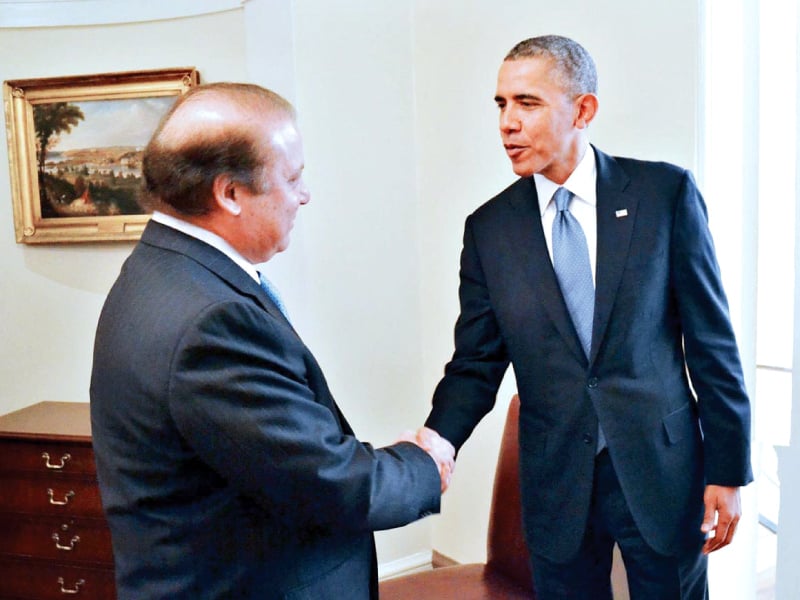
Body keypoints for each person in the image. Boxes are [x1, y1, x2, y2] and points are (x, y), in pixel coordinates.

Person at [90, 82, 454, 600]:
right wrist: (424, 464)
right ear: (230, 193)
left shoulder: (158, 270)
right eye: (292, 177)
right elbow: (330, 482)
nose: (304, 195)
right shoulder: (211, 323)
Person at [418, 35, 753, 598]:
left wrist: (728, 469)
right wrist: (436, 441)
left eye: (527, 103)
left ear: (583, 109)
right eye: (500, 104)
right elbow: (474, 363)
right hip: (556, 483)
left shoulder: (663, 194)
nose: (507, 123)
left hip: (662, 470)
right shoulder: (489, 230)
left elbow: (711, 342)